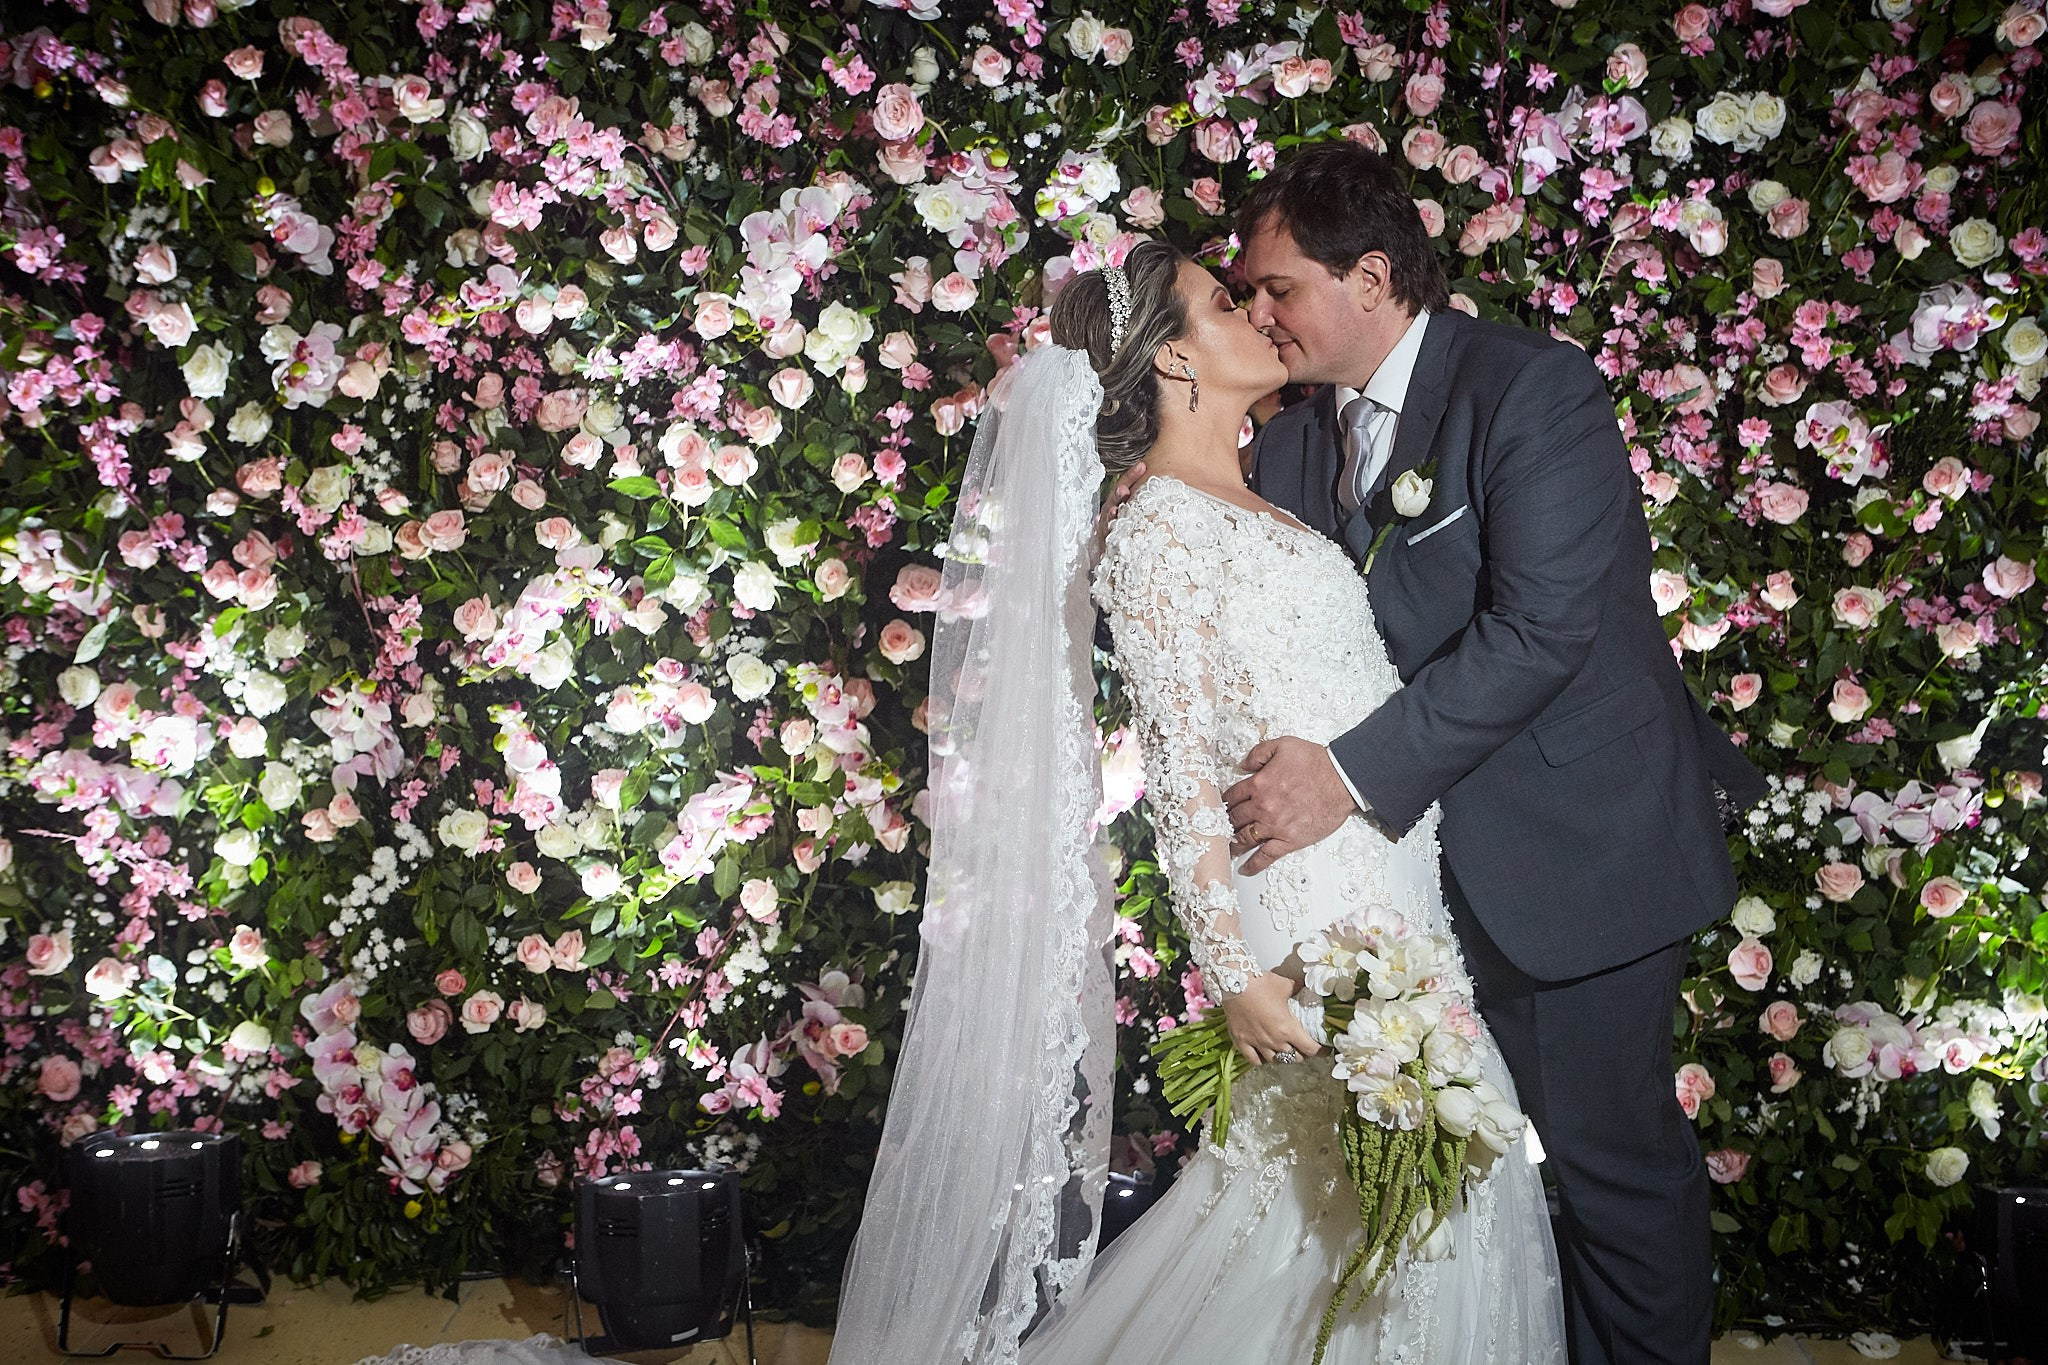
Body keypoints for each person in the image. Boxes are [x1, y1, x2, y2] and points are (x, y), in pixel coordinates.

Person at [832, 237, 1567, 1364]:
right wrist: (1233, 978)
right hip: (1303, 917)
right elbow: (1179, 776)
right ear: (1174, 359)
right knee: (1330, 1207)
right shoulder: (1160, 528)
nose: (1260, 317)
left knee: (1408, 1195)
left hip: (1387, 885)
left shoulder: (1260, 496)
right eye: (1227, 303)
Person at [1216, 142, 1769, 1365]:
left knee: (1607, 1171)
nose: (1258, 314)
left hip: (1577, 854)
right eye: (1246, 295)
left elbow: (1541, 631)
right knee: (1449, 1184)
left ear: (1369, 277)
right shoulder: (1293, 445)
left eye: (1276, 288)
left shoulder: (1529, 389)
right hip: (1405, 890)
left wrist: (1341, 776)